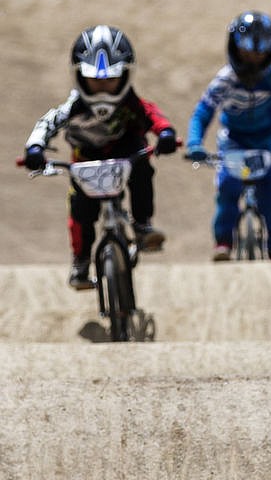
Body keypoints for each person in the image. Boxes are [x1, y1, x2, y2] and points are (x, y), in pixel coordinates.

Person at [22, 24, 179, 289]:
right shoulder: (74, 105)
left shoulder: (131, 101)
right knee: (81, 213)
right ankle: (81, 261)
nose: (103, 86)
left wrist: (165, 133)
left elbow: (152, 114)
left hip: (127, 154)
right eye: (95, 79)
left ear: (126, 74)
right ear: (80, 76)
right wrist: (35, 147)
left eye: (111, 79)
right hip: (86, 161)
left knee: (143, 171)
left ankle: (142, 225)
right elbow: (48, 122)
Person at [185, 10, 271, 261]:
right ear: (234, 48)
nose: (253, 60)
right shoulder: (224, 79)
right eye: (246, 52)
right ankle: (223, 241)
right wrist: (194, 142)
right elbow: (202, 114)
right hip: (234, 141)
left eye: (260, 53)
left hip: (269, 142)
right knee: (227, 189)